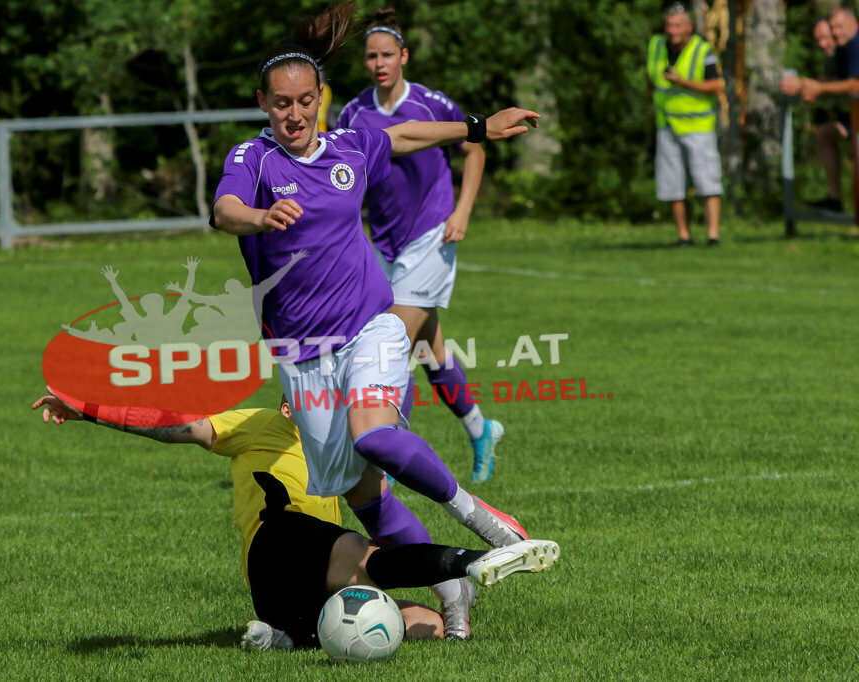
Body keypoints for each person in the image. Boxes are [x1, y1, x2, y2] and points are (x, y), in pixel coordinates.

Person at [211, 0, 540, 638]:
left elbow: (407, 135)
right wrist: (258, 217)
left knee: (373, 435)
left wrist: (478, 127)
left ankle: (480, 518)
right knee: (365, 498)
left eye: (305, 101)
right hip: (302, 356)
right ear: (263, 102)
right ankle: (451, 589)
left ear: (321, 98)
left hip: (370, 327)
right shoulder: (253, 159)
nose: (295, 114)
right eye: (282, 103)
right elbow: (224, 209)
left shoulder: (349, 145)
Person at [31, 387, 560, 651]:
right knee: (363, 558)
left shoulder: (340, 450)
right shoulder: (257, 424)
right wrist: (89, 410)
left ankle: (287, 637)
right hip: (279, 540)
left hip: (290, 593)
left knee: (428, 625)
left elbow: (385, 509)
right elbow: (176, 426)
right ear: (289, 408)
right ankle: (477, 560)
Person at [337, 8, 502, 483]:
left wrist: (463, 210)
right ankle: (481, 429)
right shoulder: (353, 113)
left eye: (388, 55)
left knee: (391, 347)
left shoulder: (432, 103)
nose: (379, 63)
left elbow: (475, 147)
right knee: (430, 351)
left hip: (432, 235)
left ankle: (385, 465)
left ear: (404, 56)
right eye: (372, 56)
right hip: (384, 245)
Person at [646, 2, 724, 246]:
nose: (672, 30)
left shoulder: (702, 49)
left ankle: (712, 236)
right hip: (667, 124)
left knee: (707, 182)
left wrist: (683, 83)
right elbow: (649, 78)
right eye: (669, 25)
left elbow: (717, 85)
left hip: (698, 127)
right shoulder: (656, 44)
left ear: (689, 27)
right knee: (672, 184)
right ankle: (684, 236)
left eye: (678, 26)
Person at [789, 8, 859, 213]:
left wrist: (820, 89)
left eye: (839, 26)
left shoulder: (856, 44)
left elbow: (855, 85)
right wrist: (806, 85)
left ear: (853, 22)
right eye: (833, 28)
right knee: (825, 133)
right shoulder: (844, 50)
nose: (835, 32)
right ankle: (834, 200)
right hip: (855, 117)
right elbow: (842, 81)